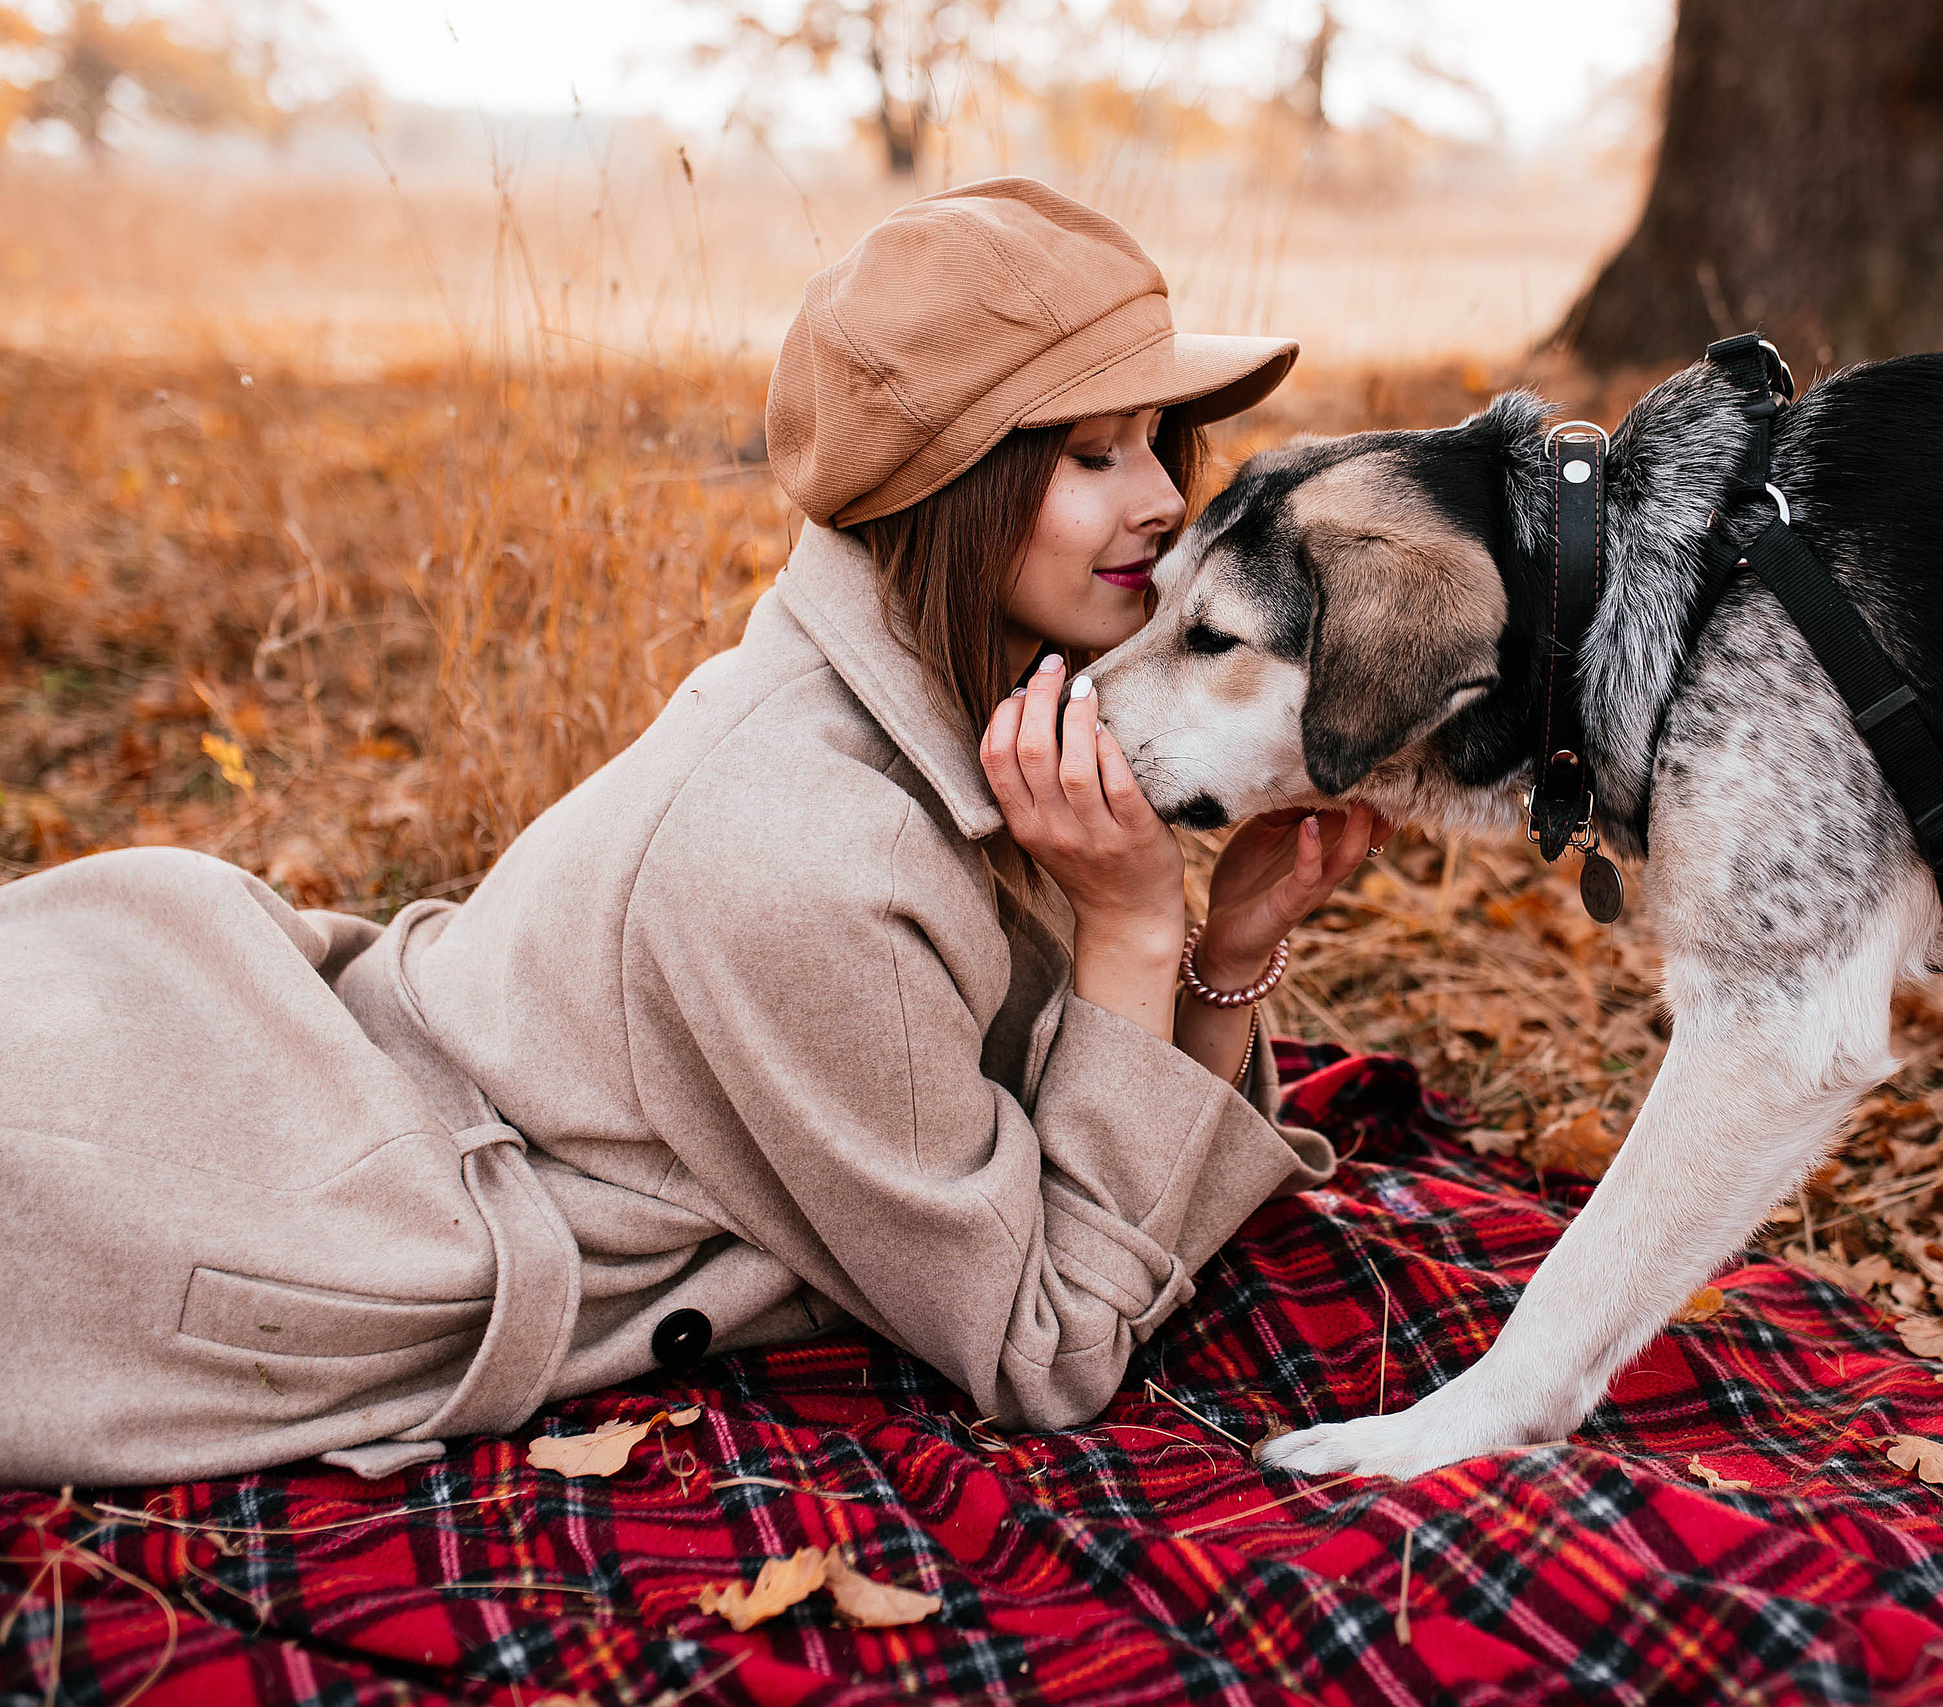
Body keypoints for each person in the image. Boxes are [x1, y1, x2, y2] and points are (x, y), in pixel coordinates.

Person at [0, 178, 1385, 1486]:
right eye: (1093, 454)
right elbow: (1055, 1344)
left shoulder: (988, 703)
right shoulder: (806, 853)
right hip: (271, 1190)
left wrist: (1225, 947)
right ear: (951, 486)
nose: (1160, 497)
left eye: (1155, 440)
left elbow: (1134, 1181)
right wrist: (1136, 923)